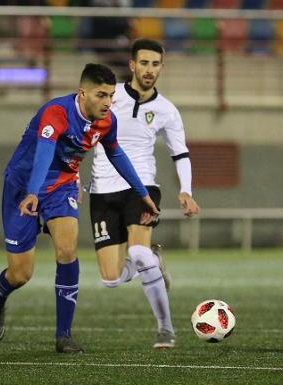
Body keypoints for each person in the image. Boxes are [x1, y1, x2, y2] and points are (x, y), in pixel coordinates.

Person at [0, 63, 159, 353]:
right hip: (23, 189)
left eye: (111, 95)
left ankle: (63, 335)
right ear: (82, 93)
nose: (108, 103)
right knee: (20, 274)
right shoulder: (56, 113)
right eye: (101, 95)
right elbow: (43, 154)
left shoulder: (107, 121)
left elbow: (116, 154)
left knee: (67, 250)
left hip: (61, 189)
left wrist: (141, 193)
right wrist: (32, 192)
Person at [87, 39, 200, 349]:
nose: (150, 70)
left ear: (161, 67)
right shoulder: (109, 97)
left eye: (156, 64)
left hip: (142, 189)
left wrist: (186, 191)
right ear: (132, 65)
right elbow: (80, 133)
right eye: (145, 63)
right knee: (111, 279)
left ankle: (166, 329)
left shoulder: (167, 110)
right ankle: (153, 262)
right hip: (102, 190)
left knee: (137, 252)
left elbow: (181, 153)